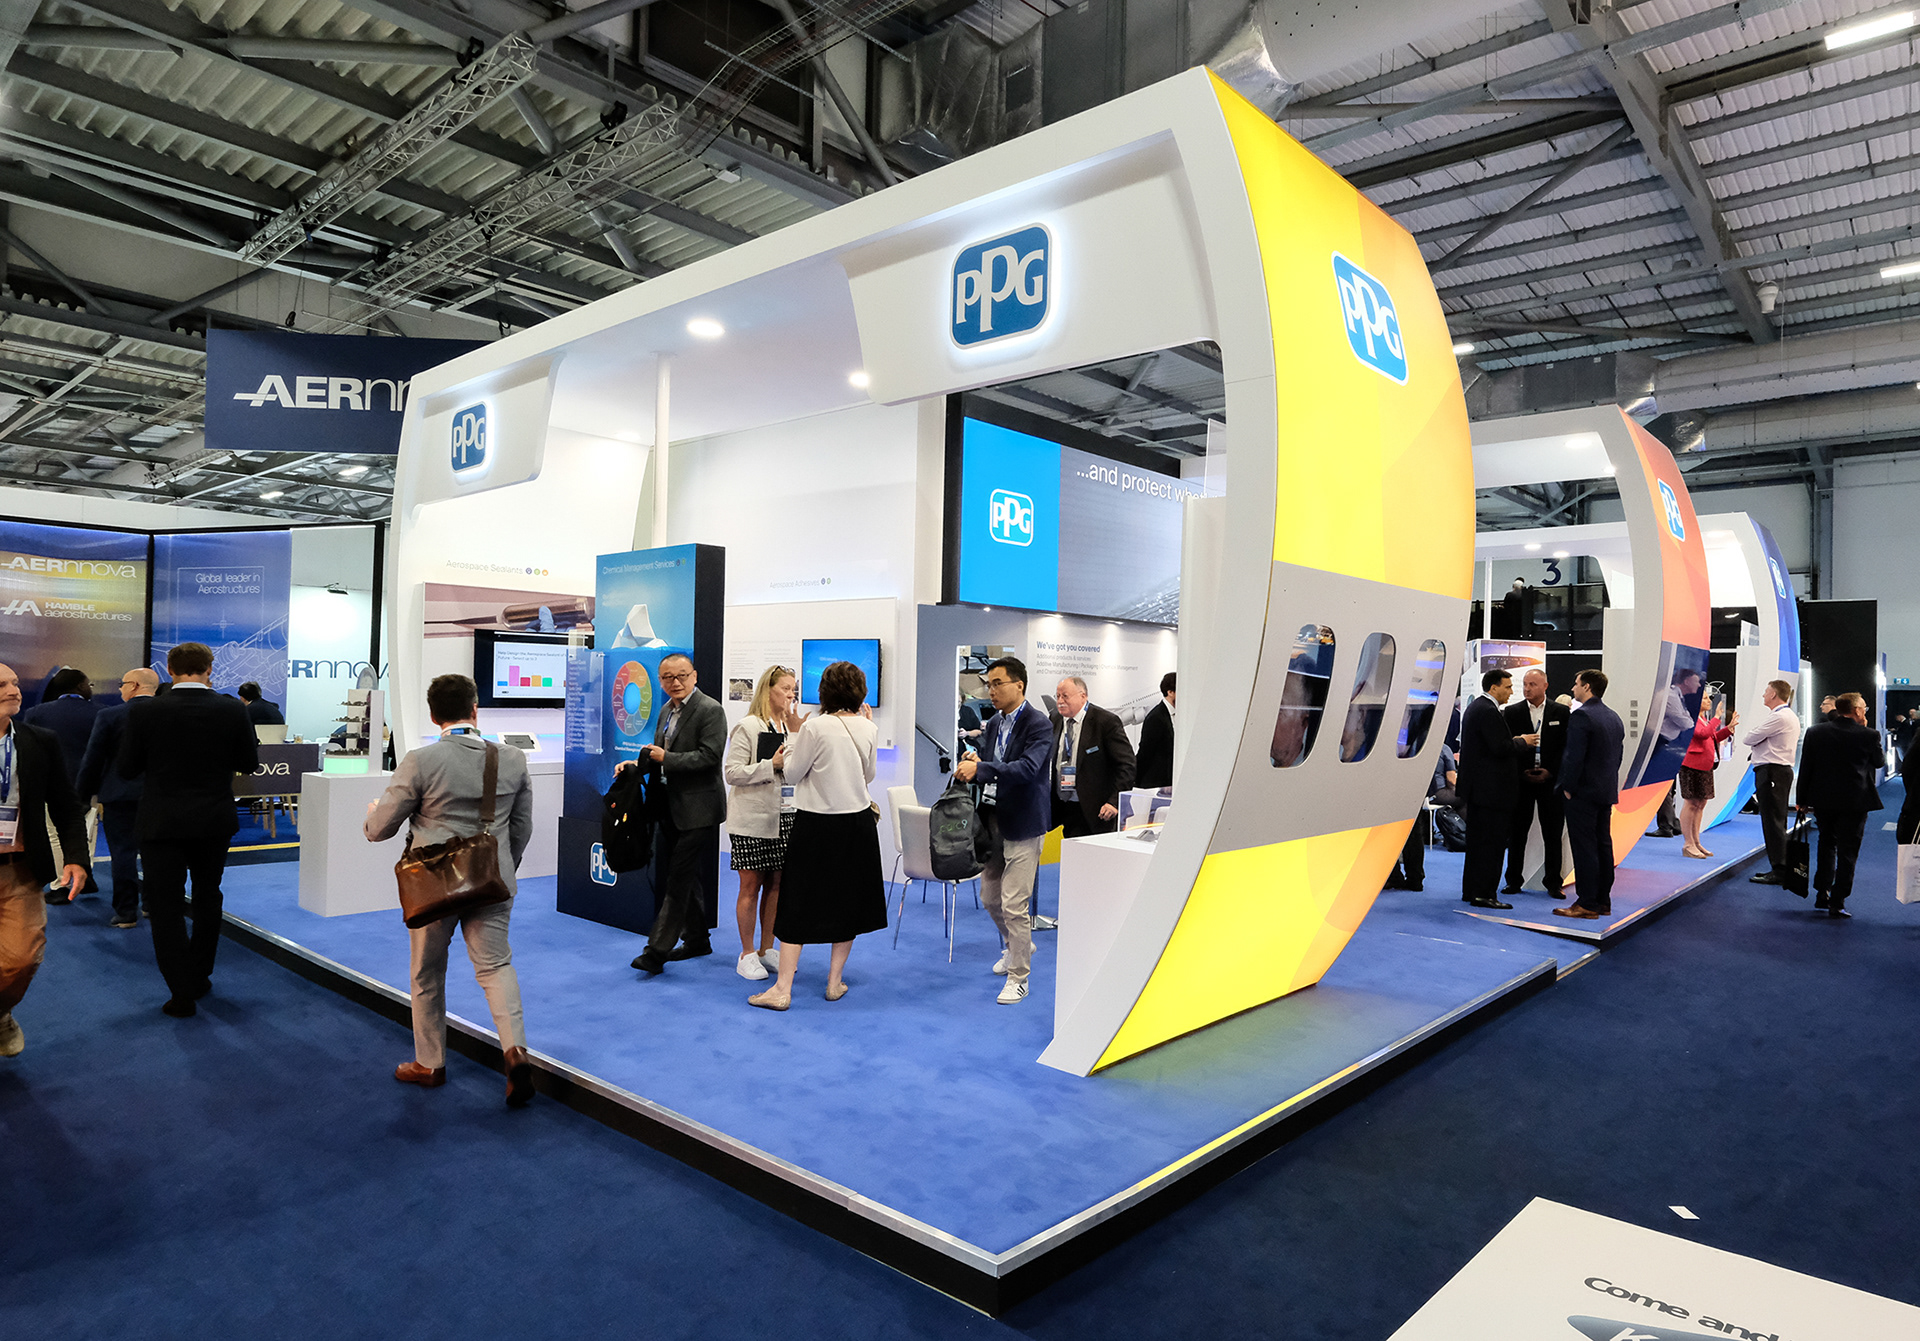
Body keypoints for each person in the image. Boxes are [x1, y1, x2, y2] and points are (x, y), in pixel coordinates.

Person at [365, 673, 536, 1104]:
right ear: (475, 710)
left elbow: (379, 829)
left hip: (433, 886)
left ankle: (430, 1064)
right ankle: (515, 1052)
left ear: (432, 715)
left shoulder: (420, 760)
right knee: (495, 967)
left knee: (426, 972)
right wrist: (503, 870)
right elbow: (521, 827)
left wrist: (373, 813)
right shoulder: (512, 758)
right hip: (493, 881)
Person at [115, 642, 259, 1017]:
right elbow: (249, 762)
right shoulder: (232, 709)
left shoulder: (146, 711)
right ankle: (199, 975)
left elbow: (127, 768)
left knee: (165, 904)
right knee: (208, 896)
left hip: (161, 822)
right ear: (209, 669)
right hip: (213, 821)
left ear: (169, 669)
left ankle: (180, 991)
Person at [749, 661, 884, 1010]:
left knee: (798, 902)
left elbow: (793, 773)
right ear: (860, 692)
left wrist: (795, 734)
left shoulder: (815, 726)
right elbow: (868, 775)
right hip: (857, 825)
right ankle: (834, 982)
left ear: (824, 691)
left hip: (816, 825)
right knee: (848, 902)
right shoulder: (868, 727)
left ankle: (782, 989)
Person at [0, 662, 90, 1058]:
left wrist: (76, 857)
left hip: (19, 870)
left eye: (15, 683)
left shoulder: (39, 740)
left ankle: (0, 1014)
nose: (14, 690)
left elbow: (67, 806)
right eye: (2, 685)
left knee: (21, 960)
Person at [954, 656, 1053, 1004]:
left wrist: (982, 770)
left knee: (1014, 903)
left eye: (998, 683)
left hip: (1024, 823)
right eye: (989, 684)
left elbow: (1027, 769)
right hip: (992, 819)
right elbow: (993, 762)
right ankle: (1015, 945)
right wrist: (976, 763)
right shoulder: (995, 722)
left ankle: (1019, 977)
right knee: (990, 898)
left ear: (1019, 685)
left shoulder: (1038, 724)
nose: (991, 691)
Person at [625, 653, 727, 977]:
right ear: (660, 681)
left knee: (678, 879)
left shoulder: (710, 710)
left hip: (700, 809)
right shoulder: (666, 710)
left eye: (682, 675)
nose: (676, 682)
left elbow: (709, 757)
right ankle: (697, 940)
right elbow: (659, 757)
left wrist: (666, 758)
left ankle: (655, 952)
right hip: (668, 806)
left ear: (694, 676)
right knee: (684, 875)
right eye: (668, 677)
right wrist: (635, 766)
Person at [724, 664, 802, 981]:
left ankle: (766, 948)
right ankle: (746, 952)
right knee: (751, 885)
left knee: (777, 885)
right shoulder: (748, 727)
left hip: (785, 817)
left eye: (794, 689)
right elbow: (732, 772)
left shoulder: (790, 728)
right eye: (785, 688)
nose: (791, 694)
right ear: (768, 690)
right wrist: (772, 764)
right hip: (751, 820)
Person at [74, 668, 160, 928]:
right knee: (156, 852)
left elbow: (93, 759)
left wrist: (81, 797)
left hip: (119, 794)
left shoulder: (110, 715)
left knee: (123, 853)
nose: (120, 689)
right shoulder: (170, 713)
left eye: (122, 684)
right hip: (160, 795)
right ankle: (153, 905)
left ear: (134, 685)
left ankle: (126, 911)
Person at [1794, 691, 1883, 919]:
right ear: (1857, 710)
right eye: (1864, 708)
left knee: (1826, 843)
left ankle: (1822, 892)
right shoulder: (1869, 735)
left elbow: (1806, 767)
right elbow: (1879, 762)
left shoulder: (1815, 732)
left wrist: (1801, 799)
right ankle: (1838, 900)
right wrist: (1867, 729)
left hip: (1823, 799)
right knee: (1848, 851)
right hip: (1855, 801)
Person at [1455, 669, 1539, 910]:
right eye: (1508, 686)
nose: (1512, 692)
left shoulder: (1477, 707)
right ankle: (1484, 894)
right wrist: (1522, 741)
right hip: (1491, 793)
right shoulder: (1487, 711)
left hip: (1481, 791)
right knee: (1491, 845)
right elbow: (1499, 748)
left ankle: (1473, 890)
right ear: (1494, 688)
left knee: (1477, 844)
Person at [21, 667, 103, 902]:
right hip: (90, 783)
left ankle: (60, 885)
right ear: (79, 686)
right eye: (88, 684)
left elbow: (28, 750)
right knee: (88, 831)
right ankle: (84, 876)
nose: (90, 688)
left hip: (50, 783)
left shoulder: (36, 713)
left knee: (54, 834)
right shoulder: (101, 713)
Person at [1554, 669, 1626, 920]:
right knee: (1603, 845)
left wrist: (1568, 787)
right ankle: (1602, 901)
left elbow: (1574, 757)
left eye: (1576, 684)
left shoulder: (1582, 716)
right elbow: (1617, 757)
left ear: (1586, 687)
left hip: (1583, 793)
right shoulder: (1613, 716)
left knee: (1585, 848)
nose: (1573, 688)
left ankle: (1586, 903)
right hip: (1605, 790)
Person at [1501, 667, 1569, 895]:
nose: (1527, 689)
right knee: (1517, 833)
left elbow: (1565, 749)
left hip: (1551, 782)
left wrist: (1551, 772)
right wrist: (1521, 772)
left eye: (1532, 684)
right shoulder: (1512, 712)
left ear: (1545, 686)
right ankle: (1513, 880)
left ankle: (1553, 882)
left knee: (1553, 834)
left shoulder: (1561, 712)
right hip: (1522, 782)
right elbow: (1508, 748)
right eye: (1525, 684)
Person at [1050, 677, 1136, 840]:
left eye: (1065, 696)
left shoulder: (1105, 721)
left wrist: (1114, 801)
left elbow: (1127, 765)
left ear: (1083, 696)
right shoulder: (1055, 719)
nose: (1060, 701)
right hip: (1066, 806)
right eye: (1058, 696)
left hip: (1098, 810)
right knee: (1072, 851)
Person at [1743, 680, 1802, 886]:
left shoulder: (1779, 717)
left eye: (1766, 691)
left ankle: (1780, 870)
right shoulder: (1785, 715)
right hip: (1776, 773)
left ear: (1774, 694)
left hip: (1772, 773)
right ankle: (1780, 867)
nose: (1763, 695)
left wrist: (1758, 739)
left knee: (1773, 823)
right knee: (1776, 821)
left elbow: (1749, 738)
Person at [1385, 741, 1455, 891]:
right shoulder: (1436, 745)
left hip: (1399, 784)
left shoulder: (1400, 739)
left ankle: (1395, 876)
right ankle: (1414, 878)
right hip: (1417, 786)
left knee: (1390, 832)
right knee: (1413, 833)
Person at [1677, 698, 1736, 860]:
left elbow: (1712, 737)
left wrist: (1728, 730)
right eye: (1704, 698)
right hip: (1691, 766)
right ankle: (1688, 843)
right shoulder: (1689, 717)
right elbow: (1702, 734)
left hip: (1704, 766)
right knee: (1691, 803)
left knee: (1700, 804)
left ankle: (1696, 841)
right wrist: (1717, 717)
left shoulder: (1703, 719)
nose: (1709, 700)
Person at [1134, 672, 1176, 791]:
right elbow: (1146, 752)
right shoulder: (1156, 717)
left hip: (1171, 781)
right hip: (1157, 784)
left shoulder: (1181, 714)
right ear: (1170, 692)